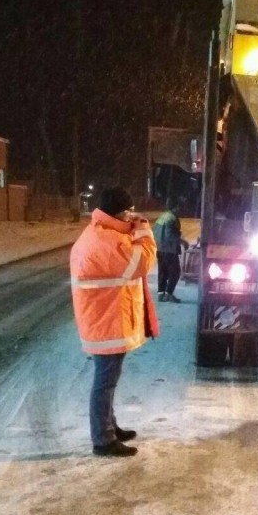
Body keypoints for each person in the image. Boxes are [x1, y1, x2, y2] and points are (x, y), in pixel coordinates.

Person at [70, 187, 159, 457]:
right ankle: (103, 440)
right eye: (129, 212)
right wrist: (143, 228)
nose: (132, 217)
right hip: (105, 323)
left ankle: (110, 426)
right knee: (104, 383)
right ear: (118, 213)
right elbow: (143, 262)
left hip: (104, 320)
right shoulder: (106, 240)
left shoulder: (102, 234)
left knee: (107, 381)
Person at [153, 200, 185, 303]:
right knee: (175, 272)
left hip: (159, 248)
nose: (180, 209)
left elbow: (154, 231)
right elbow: (170, 235)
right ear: (174, 207)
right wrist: (182, 242)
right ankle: (169, 294)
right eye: (179, 207)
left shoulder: (162, 216)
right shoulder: (172, 218)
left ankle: (161, 294)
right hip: (169, 249)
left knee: (162, 272)